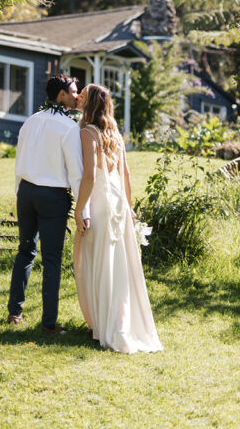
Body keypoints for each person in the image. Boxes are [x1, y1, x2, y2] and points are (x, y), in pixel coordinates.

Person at [73, 83, 162, 353]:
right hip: (119, 203)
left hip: (100, 202)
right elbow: (125, 175)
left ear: (89, 104)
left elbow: (89, 175)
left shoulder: (88, 132)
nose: (78, 98)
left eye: (83, 96)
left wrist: (80, 209)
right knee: (117, 264)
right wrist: (130, 207)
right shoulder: (115, 134)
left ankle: (104, 325)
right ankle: (115, 321)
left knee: (95, 261)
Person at [7, 74, 87, 335]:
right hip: (52, 196)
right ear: (61, 95)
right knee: (51, 260)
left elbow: (19, 160)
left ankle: (14, 312)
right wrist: (82, 210)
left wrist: (20, 191)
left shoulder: (30, 121)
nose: (77, 96)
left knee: (25, 251)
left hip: (26, 192)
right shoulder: (68, 127)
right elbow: (75, 172)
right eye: (74, 91)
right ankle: (49, 324)